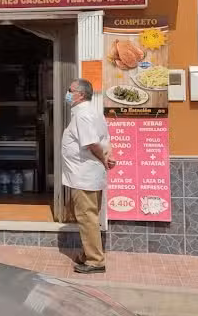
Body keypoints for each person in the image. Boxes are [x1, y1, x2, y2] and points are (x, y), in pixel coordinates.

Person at [62, 78, 116, 274]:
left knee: (87, 218)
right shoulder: (92, 112)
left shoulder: (83, 115)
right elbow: (105, 139)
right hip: (88, 175)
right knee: (89, 216)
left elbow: (92, 144)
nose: (67, 93)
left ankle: (95, 261)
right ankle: (88, 254)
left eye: (70, 90)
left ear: (80, 94)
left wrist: (103, 160)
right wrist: (107, 157)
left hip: (84, 176)